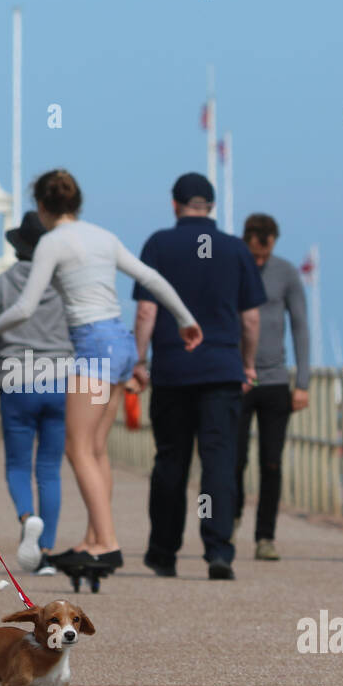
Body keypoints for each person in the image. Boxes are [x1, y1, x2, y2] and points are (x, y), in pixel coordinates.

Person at [0, 169, 202, 575]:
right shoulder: (103, 236)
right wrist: (185, 318)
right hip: (121, 346)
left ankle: (106, 543)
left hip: (94, 349)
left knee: (77, 449)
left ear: (41, 205)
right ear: (78, 202)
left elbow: (24, 308)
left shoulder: (52, 243)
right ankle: (94, 537)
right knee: (96, 450)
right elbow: (150, 277)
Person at [133, 173, 267, 580]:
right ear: (211, 206)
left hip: (173, 370)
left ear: (175, 204)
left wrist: (139, 361)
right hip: (222, 372)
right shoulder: (235, 250)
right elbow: (251, 319)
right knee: (219, 464)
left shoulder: (158, 244)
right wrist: (247, 364)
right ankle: (218, 550)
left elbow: (146, 312)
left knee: (171, 462)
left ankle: (163, 551)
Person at [0, 211, 71, 576]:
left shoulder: (5, 281)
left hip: (17, 375)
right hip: (58, 376)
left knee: (17, 465)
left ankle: (28, 517)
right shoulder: (63, 281)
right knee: (50, 470)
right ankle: (45, 553)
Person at [234, 213, 310, 561]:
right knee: (233, 460)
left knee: (272, 463)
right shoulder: (234, 267)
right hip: (237, 381)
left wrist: (303, 382)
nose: (260, 261)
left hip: (277, 381)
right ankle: (229, 520)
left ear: (275, 242)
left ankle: (265, 536)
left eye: (265, 255)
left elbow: (300, 328)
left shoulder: (287, 273)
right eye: (255, 255)